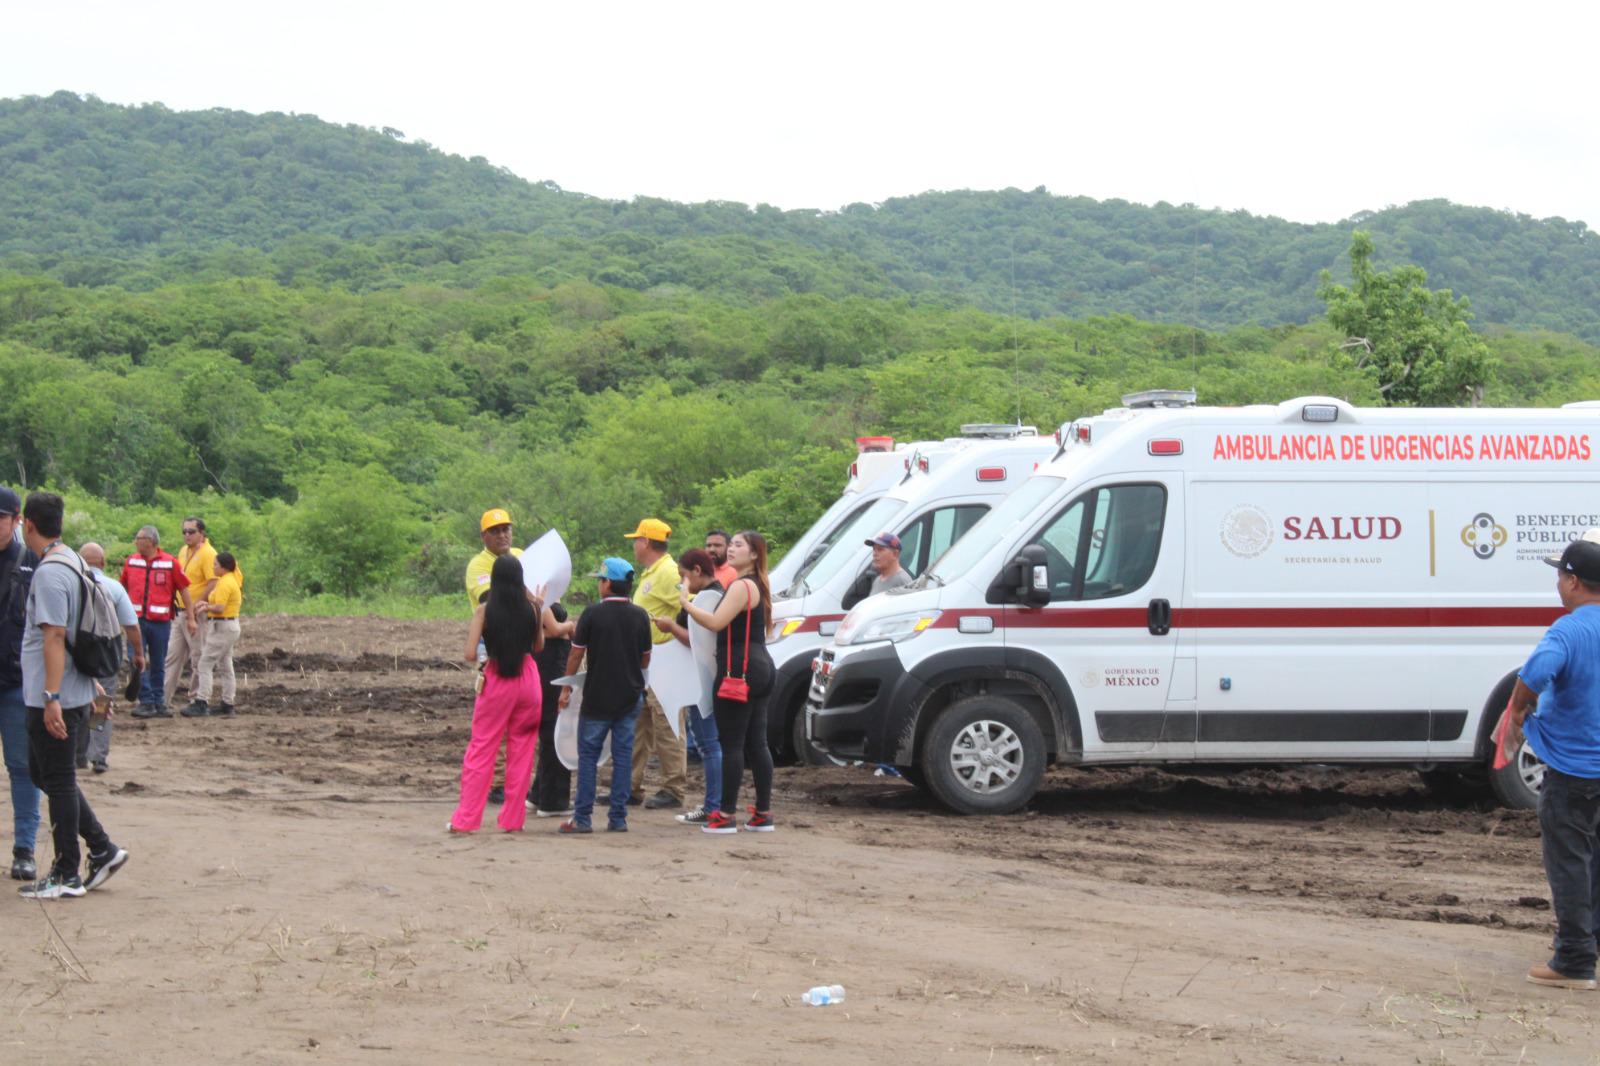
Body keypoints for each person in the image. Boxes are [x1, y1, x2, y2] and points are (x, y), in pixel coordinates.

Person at [17, 492, 129, 899]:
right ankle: (102, 848)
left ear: (27, 523)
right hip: (71, 689)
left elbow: (56, 635)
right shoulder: (75, 561)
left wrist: (51, 696)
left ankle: (67, 872)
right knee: (41, 773)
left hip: (56, 697)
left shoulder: (50, 572)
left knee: (58, 780)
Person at [1504, 535, 1600, 991]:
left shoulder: (1569, 630)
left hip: (1575, 770)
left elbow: (1535, 674)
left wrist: (1519, 708)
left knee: (1570, 863)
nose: (1558, 583)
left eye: (1560, 574)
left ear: (1573, 581)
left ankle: (1575, 961)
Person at [680, 531, 777, 835]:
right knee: (757, 743)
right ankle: (762, 813)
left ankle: (724, 815)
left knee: (732, 745)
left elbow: (714, 622)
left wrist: (686, 603)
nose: (731, 549)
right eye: (731, 544)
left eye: (738, 545)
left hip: (738, 670)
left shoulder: (741, 586)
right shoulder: (758, 584)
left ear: (753, 555)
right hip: (760, 667)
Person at [450, 555, 545, 833]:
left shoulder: (484, 610)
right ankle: (513, 820)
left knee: (482, 748)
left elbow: (469, 653)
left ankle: (466, 820)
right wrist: (538, 608)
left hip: (496, 677)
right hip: (528, 679)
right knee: (523, 751)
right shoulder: (533, 608)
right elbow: (538, 646)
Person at [559, 558, 651, 834]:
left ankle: (583, 818)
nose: (598, 584)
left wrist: (566, 687)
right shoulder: (639, 616)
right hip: (629, 697)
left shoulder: (591, 614)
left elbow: (576, 653)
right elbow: (646, 659)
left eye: (600, 580)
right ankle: (618, 819)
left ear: (608, 583)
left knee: (588, 756)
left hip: (597, 697)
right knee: (623, 757)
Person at [651, 548, 724, 827]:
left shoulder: (708, 599)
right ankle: (717, 804)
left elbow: (699, 640)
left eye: (683, 575)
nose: (682, 581)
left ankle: (713, 806)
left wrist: (671, 627)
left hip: (702, 680)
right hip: (701, 678)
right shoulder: (711, 596)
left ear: (696, 571)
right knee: (712, 743)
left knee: (709, 744)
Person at [619, 518, 685, 810]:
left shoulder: (668, 572)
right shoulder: (652, 573)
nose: (634, 544)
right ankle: (630, 787)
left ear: (645, 542)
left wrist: (675, 635)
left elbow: (690, 605)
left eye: (636, 539)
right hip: (645, 662)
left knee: (667, 724)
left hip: (665, 660)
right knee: (639, 725)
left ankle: (674, 788)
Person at [465, 508, 523, 804]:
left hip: (523, 644)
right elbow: (493, 599)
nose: (502, 535)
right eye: (495, 530)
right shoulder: (479, 565)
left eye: (506, 529)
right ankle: (498, 781)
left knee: (521, 717)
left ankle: (515, 779)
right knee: (494, 717)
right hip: (494, 647)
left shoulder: (522, 555)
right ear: (484, 536)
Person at [0, 486, 41, 881]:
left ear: (17, 521)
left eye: (0, 518)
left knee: (23, 768)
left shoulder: (34, 562)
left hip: (16, 684)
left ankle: (24, 849)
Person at [76, 542, 144, 772]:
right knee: (102, 702)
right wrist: (139, 654)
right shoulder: (115, 588)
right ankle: (98, 756)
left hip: (77, 653)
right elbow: (132, 626)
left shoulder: (73, 584)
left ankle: (79, 754)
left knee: (79, 699)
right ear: (103, 563)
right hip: (106, 655)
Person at [120, 525, 188, 719]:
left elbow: (184, 589)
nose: (136, 541)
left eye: (139, 537)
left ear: (150, 540)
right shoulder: (131, 561)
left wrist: (190, 616)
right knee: (136, 661)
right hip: (136, 623)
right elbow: (122, 588)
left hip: (161, 623)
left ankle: (158, 702)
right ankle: (147, 700)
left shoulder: (170, 563)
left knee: (159, 662)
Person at [528, 599, 577, 818]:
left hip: (549, 662)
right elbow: (554, 629)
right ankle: (552, 800)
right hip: (550, 663)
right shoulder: (538, 599)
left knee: (550, 731)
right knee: (555, 731)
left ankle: (540, 793)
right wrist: (570, 626)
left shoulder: (537, 597)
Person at [164, 517, 217, 711]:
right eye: (184, 531)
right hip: (179, 612)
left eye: (191, 531)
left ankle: (197, 700)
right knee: (172, 656)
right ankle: (163, 699)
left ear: (201, 533)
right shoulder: (183, 551)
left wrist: (196, 604)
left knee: (198, 657)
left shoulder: (209, 554)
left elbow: (213, 581)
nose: (187, 535)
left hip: (196, 613)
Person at [185, 552, 243, 718]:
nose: (213, 567)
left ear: (223, 567)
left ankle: (202, 702)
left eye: (215, 565)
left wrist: (206, 607)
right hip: (228, 626)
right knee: (225, 665)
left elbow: (219, 607)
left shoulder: (226, 583)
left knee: (205, 664)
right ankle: (227, 703)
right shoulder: (228, 580)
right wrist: (207, 604)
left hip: (223, 626)